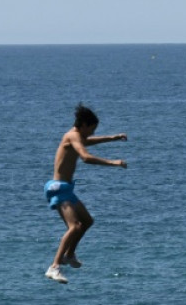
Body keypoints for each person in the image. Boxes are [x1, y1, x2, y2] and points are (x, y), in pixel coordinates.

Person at [44, 103, 127, 284]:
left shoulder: (75, 136)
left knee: (87, 221)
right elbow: (86, 157)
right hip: (58, 189)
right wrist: (113, 163)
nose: (91, 133)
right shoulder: (72, 136)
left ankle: (69, 255)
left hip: (66, 189)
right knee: (74, 227)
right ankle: (54, 267)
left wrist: (113, 137)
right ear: (83, 125)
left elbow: (88, 141)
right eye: (91, 129)